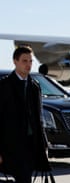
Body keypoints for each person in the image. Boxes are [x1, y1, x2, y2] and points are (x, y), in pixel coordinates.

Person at [0, 46, 51, 183]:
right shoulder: (4, 86)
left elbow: (39, 118)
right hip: (10, 145)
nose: (28, 65)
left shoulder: (34, 87)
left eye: (30, 61)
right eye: (24, 61)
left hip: (31, 144)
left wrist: (44, 145)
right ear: (15, 61)